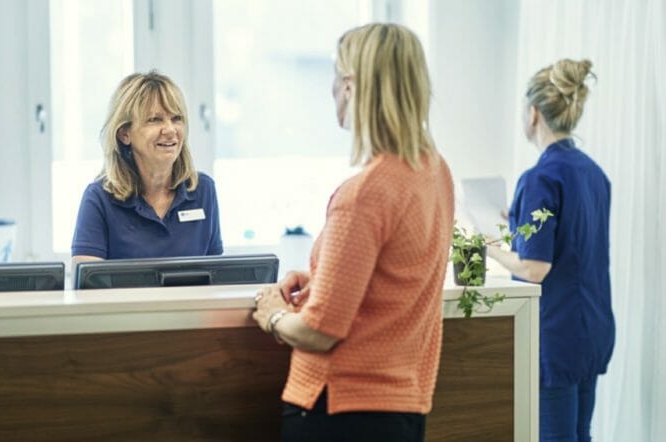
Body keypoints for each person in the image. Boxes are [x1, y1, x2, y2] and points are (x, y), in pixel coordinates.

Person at [252, 23, 454, 442]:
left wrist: (272, 315)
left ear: (350, 86)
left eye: (334, 75)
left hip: (342, 409)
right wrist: (324, 280)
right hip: (403, 409)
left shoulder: (364, 194)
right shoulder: (434, 171)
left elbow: (319, 332)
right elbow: (397, 279)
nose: (329, 90)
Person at [486, 59, 615, 442]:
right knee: (580, 434)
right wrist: (519, 221)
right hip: (592, 330)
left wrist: (492, 248)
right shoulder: (594, 174)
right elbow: (573, 241)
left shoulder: (540, 178)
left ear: (533, 114)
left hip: (556, 337)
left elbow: (534, 268)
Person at [71, 71, 222, 265]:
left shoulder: (203, 190)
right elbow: (86, 289)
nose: (170, 130)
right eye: (155, 120)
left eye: (176, 118)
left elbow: (216, 279)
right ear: (124, 134)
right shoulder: (99, 198)